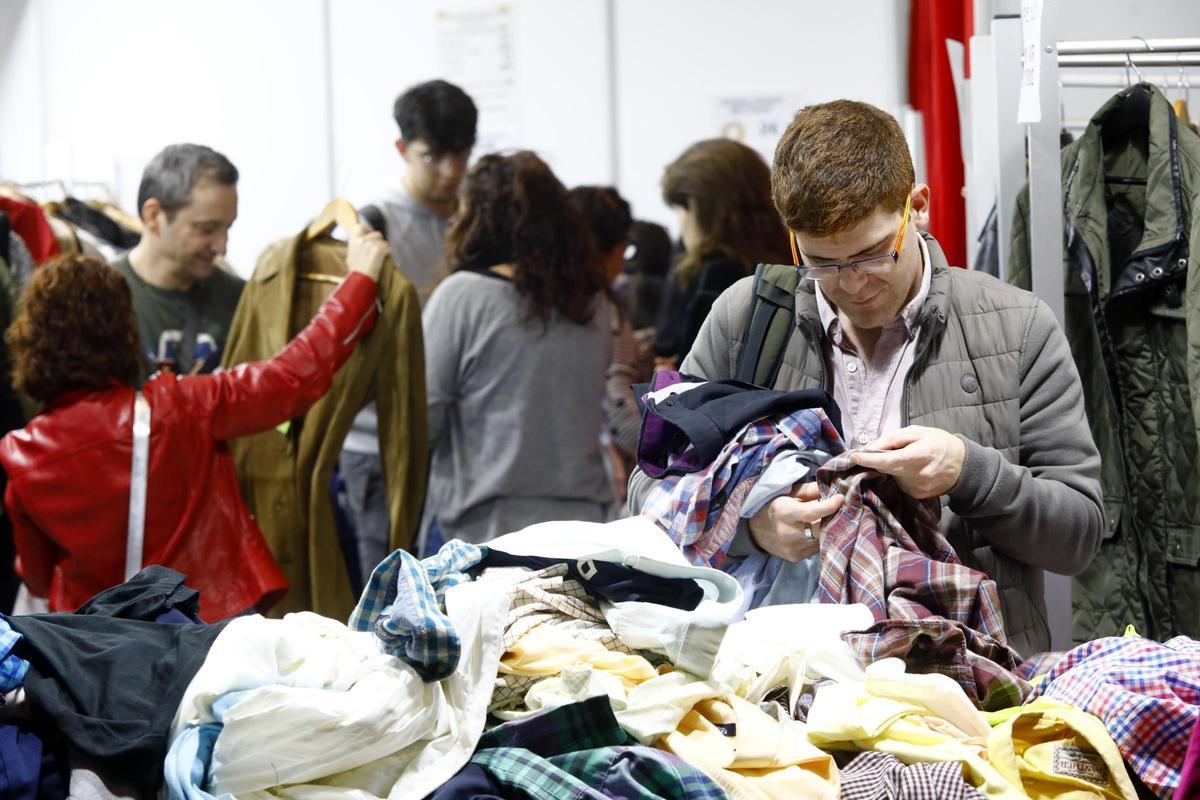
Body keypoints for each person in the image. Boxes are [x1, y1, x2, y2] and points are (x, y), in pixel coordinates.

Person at [627, 100, 1104, 657]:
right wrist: (746, 526)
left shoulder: (1016, 329)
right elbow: (648, 490)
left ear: (917, 207)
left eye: (873, 254)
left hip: (961, 689)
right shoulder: (747, 320)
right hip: (776, 685)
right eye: (822, 262)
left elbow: (1078, 536)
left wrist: (967, 472)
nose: (852, 284)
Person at [0, 227, 391, 621]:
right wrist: (359, 282)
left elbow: (35, 579)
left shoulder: (22, 453)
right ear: (123, 331)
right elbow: (290, 377)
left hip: (96, 647)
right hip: (200, 625)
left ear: (30, 341)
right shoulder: (180, 405)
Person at [420, 151, 613, 549]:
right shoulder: (594, 305)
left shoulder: (462, 296)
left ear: (476, 219)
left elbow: (423, 421)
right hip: (586, 525)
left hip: (485, 528)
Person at [341, 79, 477, 580]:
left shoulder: (475, 215)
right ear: (402, 149)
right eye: (434, 156)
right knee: (384, 587)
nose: (451, 171)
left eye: (461, 155)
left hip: (453, 443)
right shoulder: (374, 223)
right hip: (376, 441)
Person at [653, 138, 791, 366]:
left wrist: (668, 375)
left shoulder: (712, 275)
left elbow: (696, 374)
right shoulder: (791, 261)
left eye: (680, 213)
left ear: (696, 205)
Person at [113, 144, 245, 380]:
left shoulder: (241, 302)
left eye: (228, 228)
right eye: (206, 229)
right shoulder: (95, 303)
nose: (221, 247)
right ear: (154, 216)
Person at [568, 185, 648, 502]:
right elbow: (617, 409)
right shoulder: (601, 307)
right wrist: (671, 450)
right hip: (608, 483)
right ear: (615, 248)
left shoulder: (556, 301)